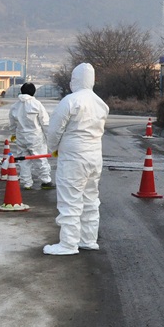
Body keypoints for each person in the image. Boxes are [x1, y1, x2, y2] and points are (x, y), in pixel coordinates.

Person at [44, 63, 109, 255]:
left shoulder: (70, 101)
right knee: (90, 199)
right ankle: (88, 239)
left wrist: (52, 147)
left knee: (70, 201)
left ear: (76, 79)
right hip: (94, 157)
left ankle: (68, 244)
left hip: (73, 159)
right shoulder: (100, 103)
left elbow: (55, 130)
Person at [8, 82, 54, 190]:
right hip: (35, 136)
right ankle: (46, 181)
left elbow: (12, 124)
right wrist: (49, 138)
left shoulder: (15, 106)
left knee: (23, 160)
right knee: (40, 158)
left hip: (21, 136)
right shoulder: (37, 104)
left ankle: (26, 183)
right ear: (33, 92)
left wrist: (14, 135)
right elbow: (45, 123)